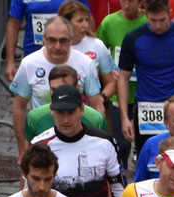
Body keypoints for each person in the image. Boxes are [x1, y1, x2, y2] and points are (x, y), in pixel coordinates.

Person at [116, 0, 174, 144]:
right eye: (153, 20)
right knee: (149, 158)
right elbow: (123, 78)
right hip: (146, 109)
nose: (157, 25)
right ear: (146, 15)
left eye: (162, 20)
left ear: (170, 14)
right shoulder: (133, 38)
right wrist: (124, 117)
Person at [12, 17, 105, 149]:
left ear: (71, 39)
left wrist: (95, 143)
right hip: (43, 142)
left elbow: (97, 105)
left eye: (63, 40)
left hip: (78, 138)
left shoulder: (85, 63)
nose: (57, 46)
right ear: (43, 38)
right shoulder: (29, 64)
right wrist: (22, 150)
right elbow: (19, 107)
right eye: (52, 40)